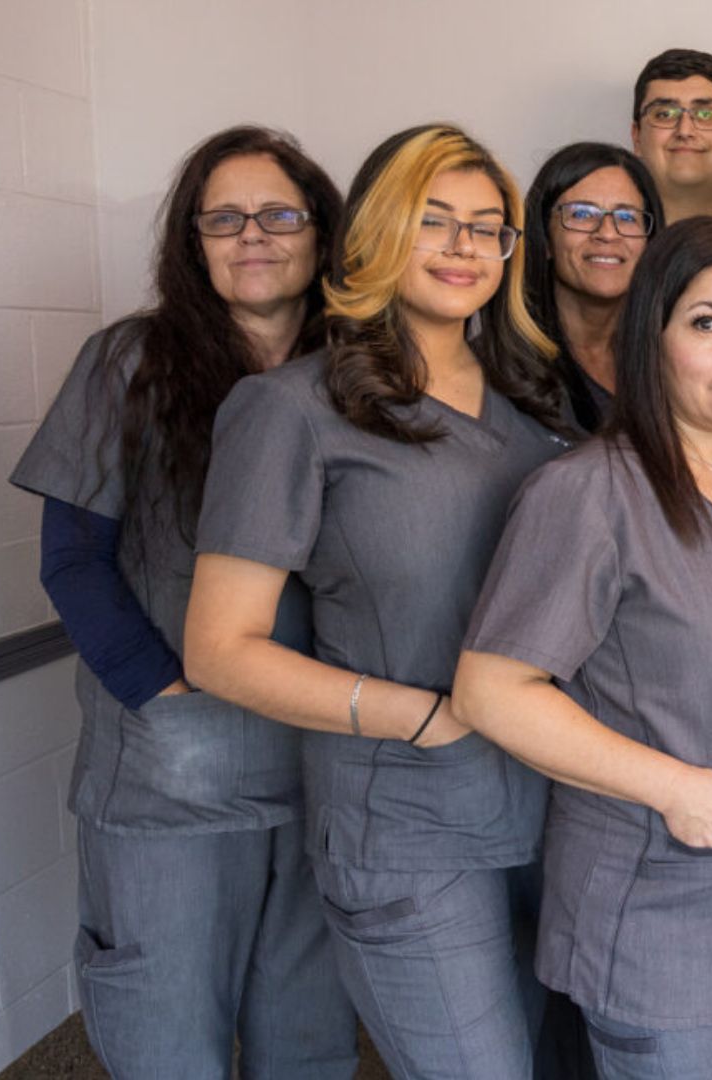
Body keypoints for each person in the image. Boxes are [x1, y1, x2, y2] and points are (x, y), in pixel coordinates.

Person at [183, 124, 573, 1080]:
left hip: (548, 807)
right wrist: (421, 718)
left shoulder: (532, 409)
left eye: (489, 228)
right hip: (405, 823)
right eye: (432, 220)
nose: (463, 246)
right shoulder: (293, 411)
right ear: (375, 236)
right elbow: (218, 649)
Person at [452, 215, 712, 1078]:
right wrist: (672, 788)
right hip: (663, 918)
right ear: (654, 339)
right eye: (707, 323)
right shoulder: (590, 494)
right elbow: (492, 689)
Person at [7, 125, 355, 1080]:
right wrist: (163, 697)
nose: (254, 235)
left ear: (322, 234)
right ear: (192, 242)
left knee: (311, 1034)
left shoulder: (361, 373)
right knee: (166, 1037)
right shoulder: (130, 362)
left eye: (280, 214)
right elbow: (74, 558)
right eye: (225, 218)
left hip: (323, 764)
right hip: (173, 775)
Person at [523, 142, 665, 431]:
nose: (607, 234)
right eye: (581, 214)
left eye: (626, 217)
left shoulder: (668, 355)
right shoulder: (504, 364)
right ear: (545, 238)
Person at [632, 48, 712, 222]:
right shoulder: (608, 242)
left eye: (706, 115)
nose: (684, 131)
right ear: (636, 136)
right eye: (665, 115)